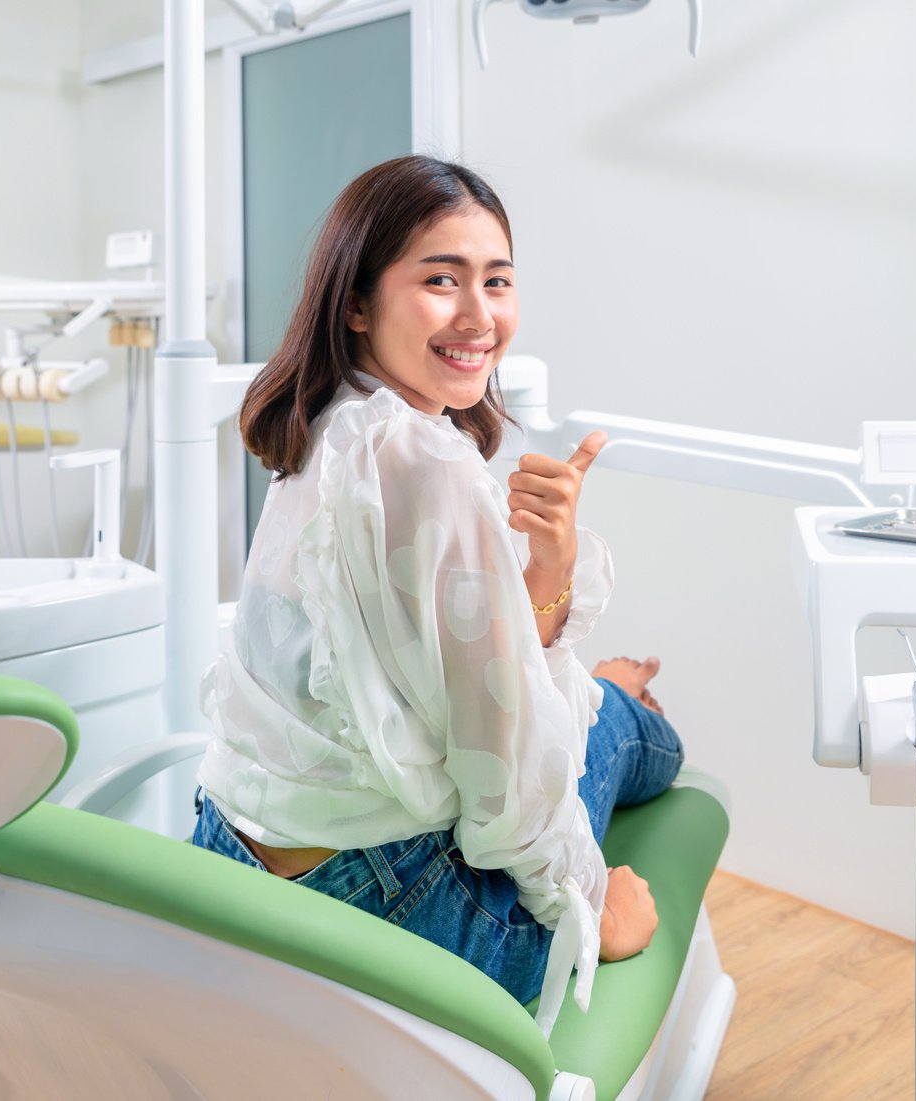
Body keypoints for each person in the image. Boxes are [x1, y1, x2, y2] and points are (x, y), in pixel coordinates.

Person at [192, 155, 684, 1016]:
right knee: (638, 740)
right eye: (440, 280)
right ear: (356, 301)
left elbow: (444, 675)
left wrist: (552, 563)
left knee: (580, 700)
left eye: (497, 281)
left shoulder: (320, 430)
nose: (478, 315)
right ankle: (623, 698)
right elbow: (513, 784)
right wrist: (592, 907)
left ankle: (609, 691)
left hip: (228, 860)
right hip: (382, 910)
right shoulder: (424, 463)